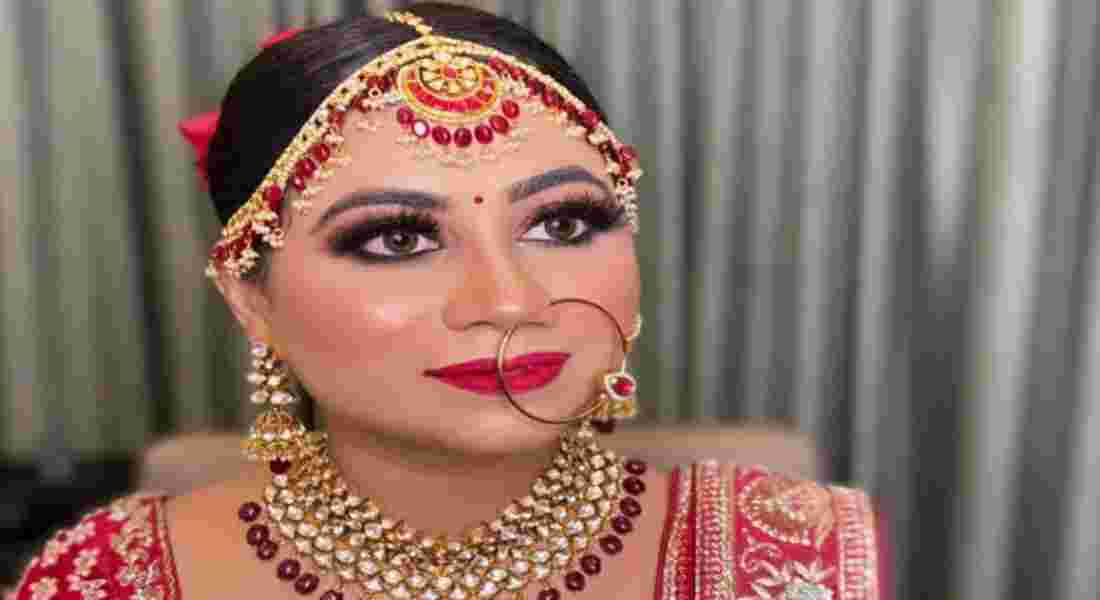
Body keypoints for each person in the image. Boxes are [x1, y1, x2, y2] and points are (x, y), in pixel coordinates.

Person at [6, 4, 884, 599]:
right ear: (250, 298)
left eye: (563, 223)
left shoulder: (800, 554)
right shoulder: (114, 577)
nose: (507, 299)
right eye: (397, 239)